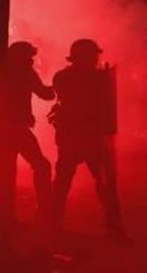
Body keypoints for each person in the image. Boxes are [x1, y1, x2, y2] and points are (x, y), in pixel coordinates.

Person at [50, 38, 127, 241]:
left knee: (65, 184)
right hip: (86, 137)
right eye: (92, 55)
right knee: (105, 183)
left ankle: (51, 226)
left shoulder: (63, 77)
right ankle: (114, 228)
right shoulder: (97, 79)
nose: (95, 59)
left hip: (76, 137)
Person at [0, 41, 55, 223]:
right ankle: (45, 210)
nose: (31, 60)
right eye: (28, 57)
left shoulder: (0, 72)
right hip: (14, 127)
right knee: (41, 165)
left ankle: (4, 215)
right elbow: (45, 94)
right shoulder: (25, 73)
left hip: (1, 128)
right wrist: (57, 88)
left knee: (6, 171)